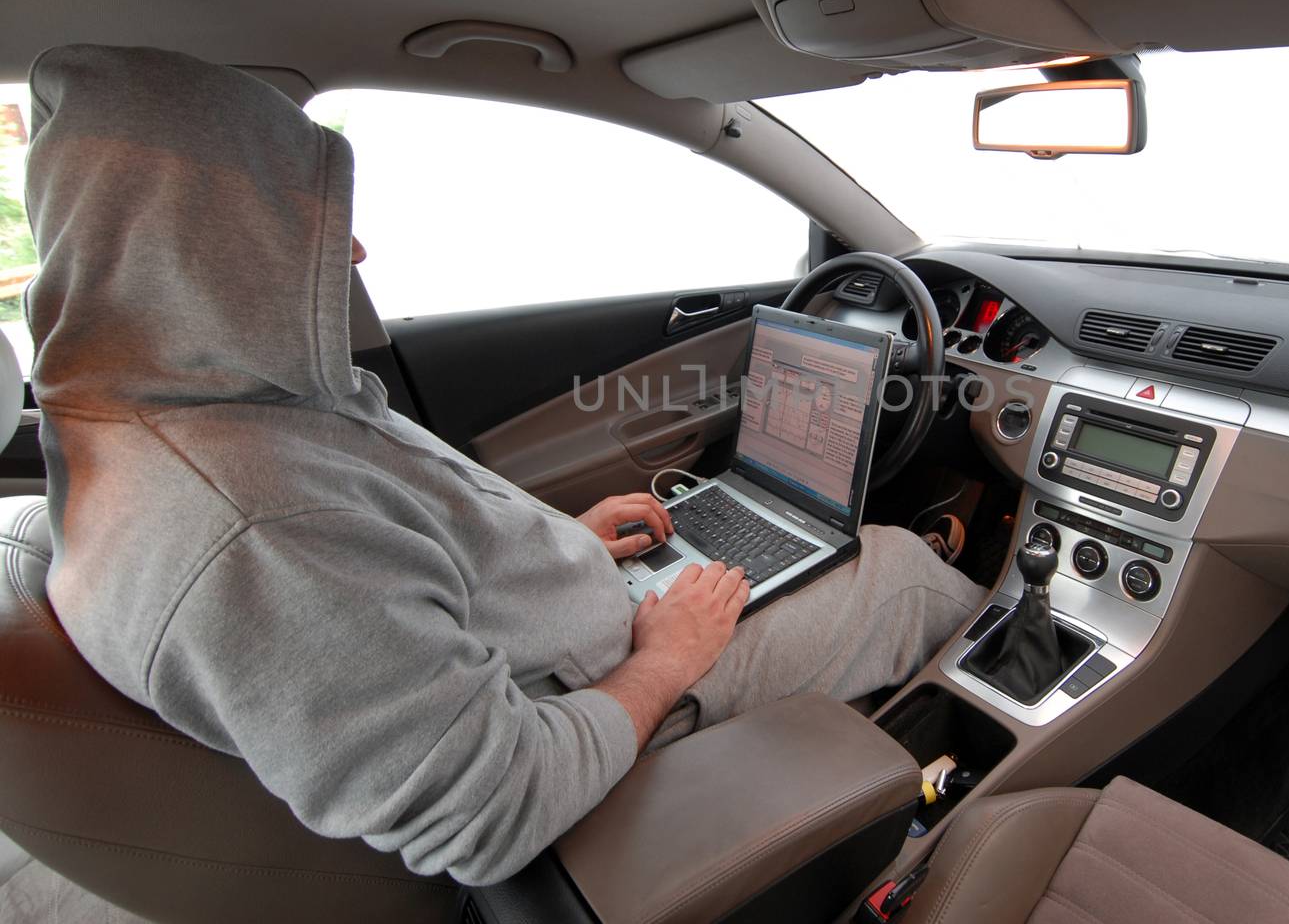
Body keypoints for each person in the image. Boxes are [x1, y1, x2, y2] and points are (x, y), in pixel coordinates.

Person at [24, 45, 985, 885]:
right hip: (607, 695)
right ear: (199, 245)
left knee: (797, 545)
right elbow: (499, 807)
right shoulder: (256, 531)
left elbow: (387, 579)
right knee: (895, 566)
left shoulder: (181, 407)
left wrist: (560, 545)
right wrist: (664, 662)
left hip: (578, 635)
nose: (352, 247)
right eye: (305, 221)